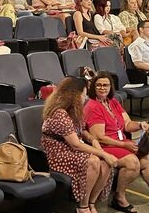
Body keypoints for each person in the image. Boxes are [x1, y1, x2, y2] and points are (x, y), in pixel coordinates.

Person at [84, 73, 149, 212]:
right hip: (106, 146)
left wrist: (140, 125)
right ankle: (119, 197)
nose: (102, 88)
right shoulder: (93, 106)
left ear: (111, 87)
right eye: (99, 85)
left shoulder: (113, 102)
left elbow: (126, 124)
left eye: (106, 85)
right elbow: (99, 137)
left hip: (121, 142)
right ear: (93, 87)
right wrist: (124, 145)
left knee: (144, 157)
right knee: (132, 162)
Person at [41, 76, 115, 213]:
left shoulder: (75, 110)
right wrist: (103, 152)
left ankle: (92, 202)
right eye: (84, 94)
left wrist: (93, 140)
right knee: (93, 161)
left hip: (71, 148)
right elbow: (75, 144)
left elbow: (81, 131)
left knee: (105, 163)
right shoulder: (59, 113)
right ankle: (83, 206)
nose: (85, 98)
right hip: (57, 153)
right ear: (75, 95)